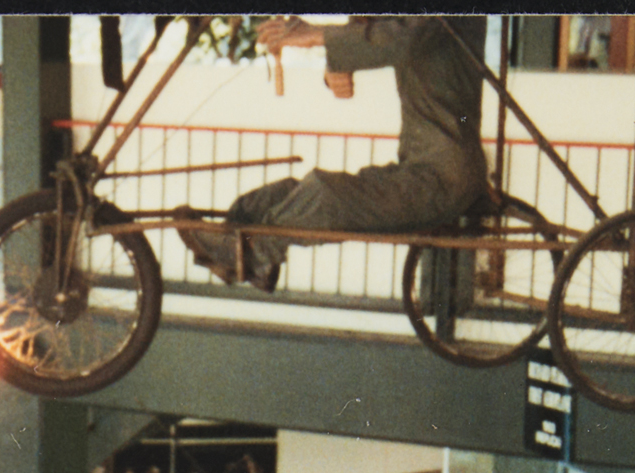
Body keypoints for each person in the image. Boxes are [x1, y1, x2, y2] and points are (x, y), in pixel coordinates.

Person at [177, 17, 488, 293]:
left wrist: (317, 35)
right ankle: (245, 247)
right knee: (283, 195)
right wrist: (334, 64)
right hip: (420, 169)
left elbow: (402, 37)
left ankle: (246, 255)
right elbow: (374, 25)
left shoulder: (438, 21)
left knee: (326, 195)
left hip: (445, 179)